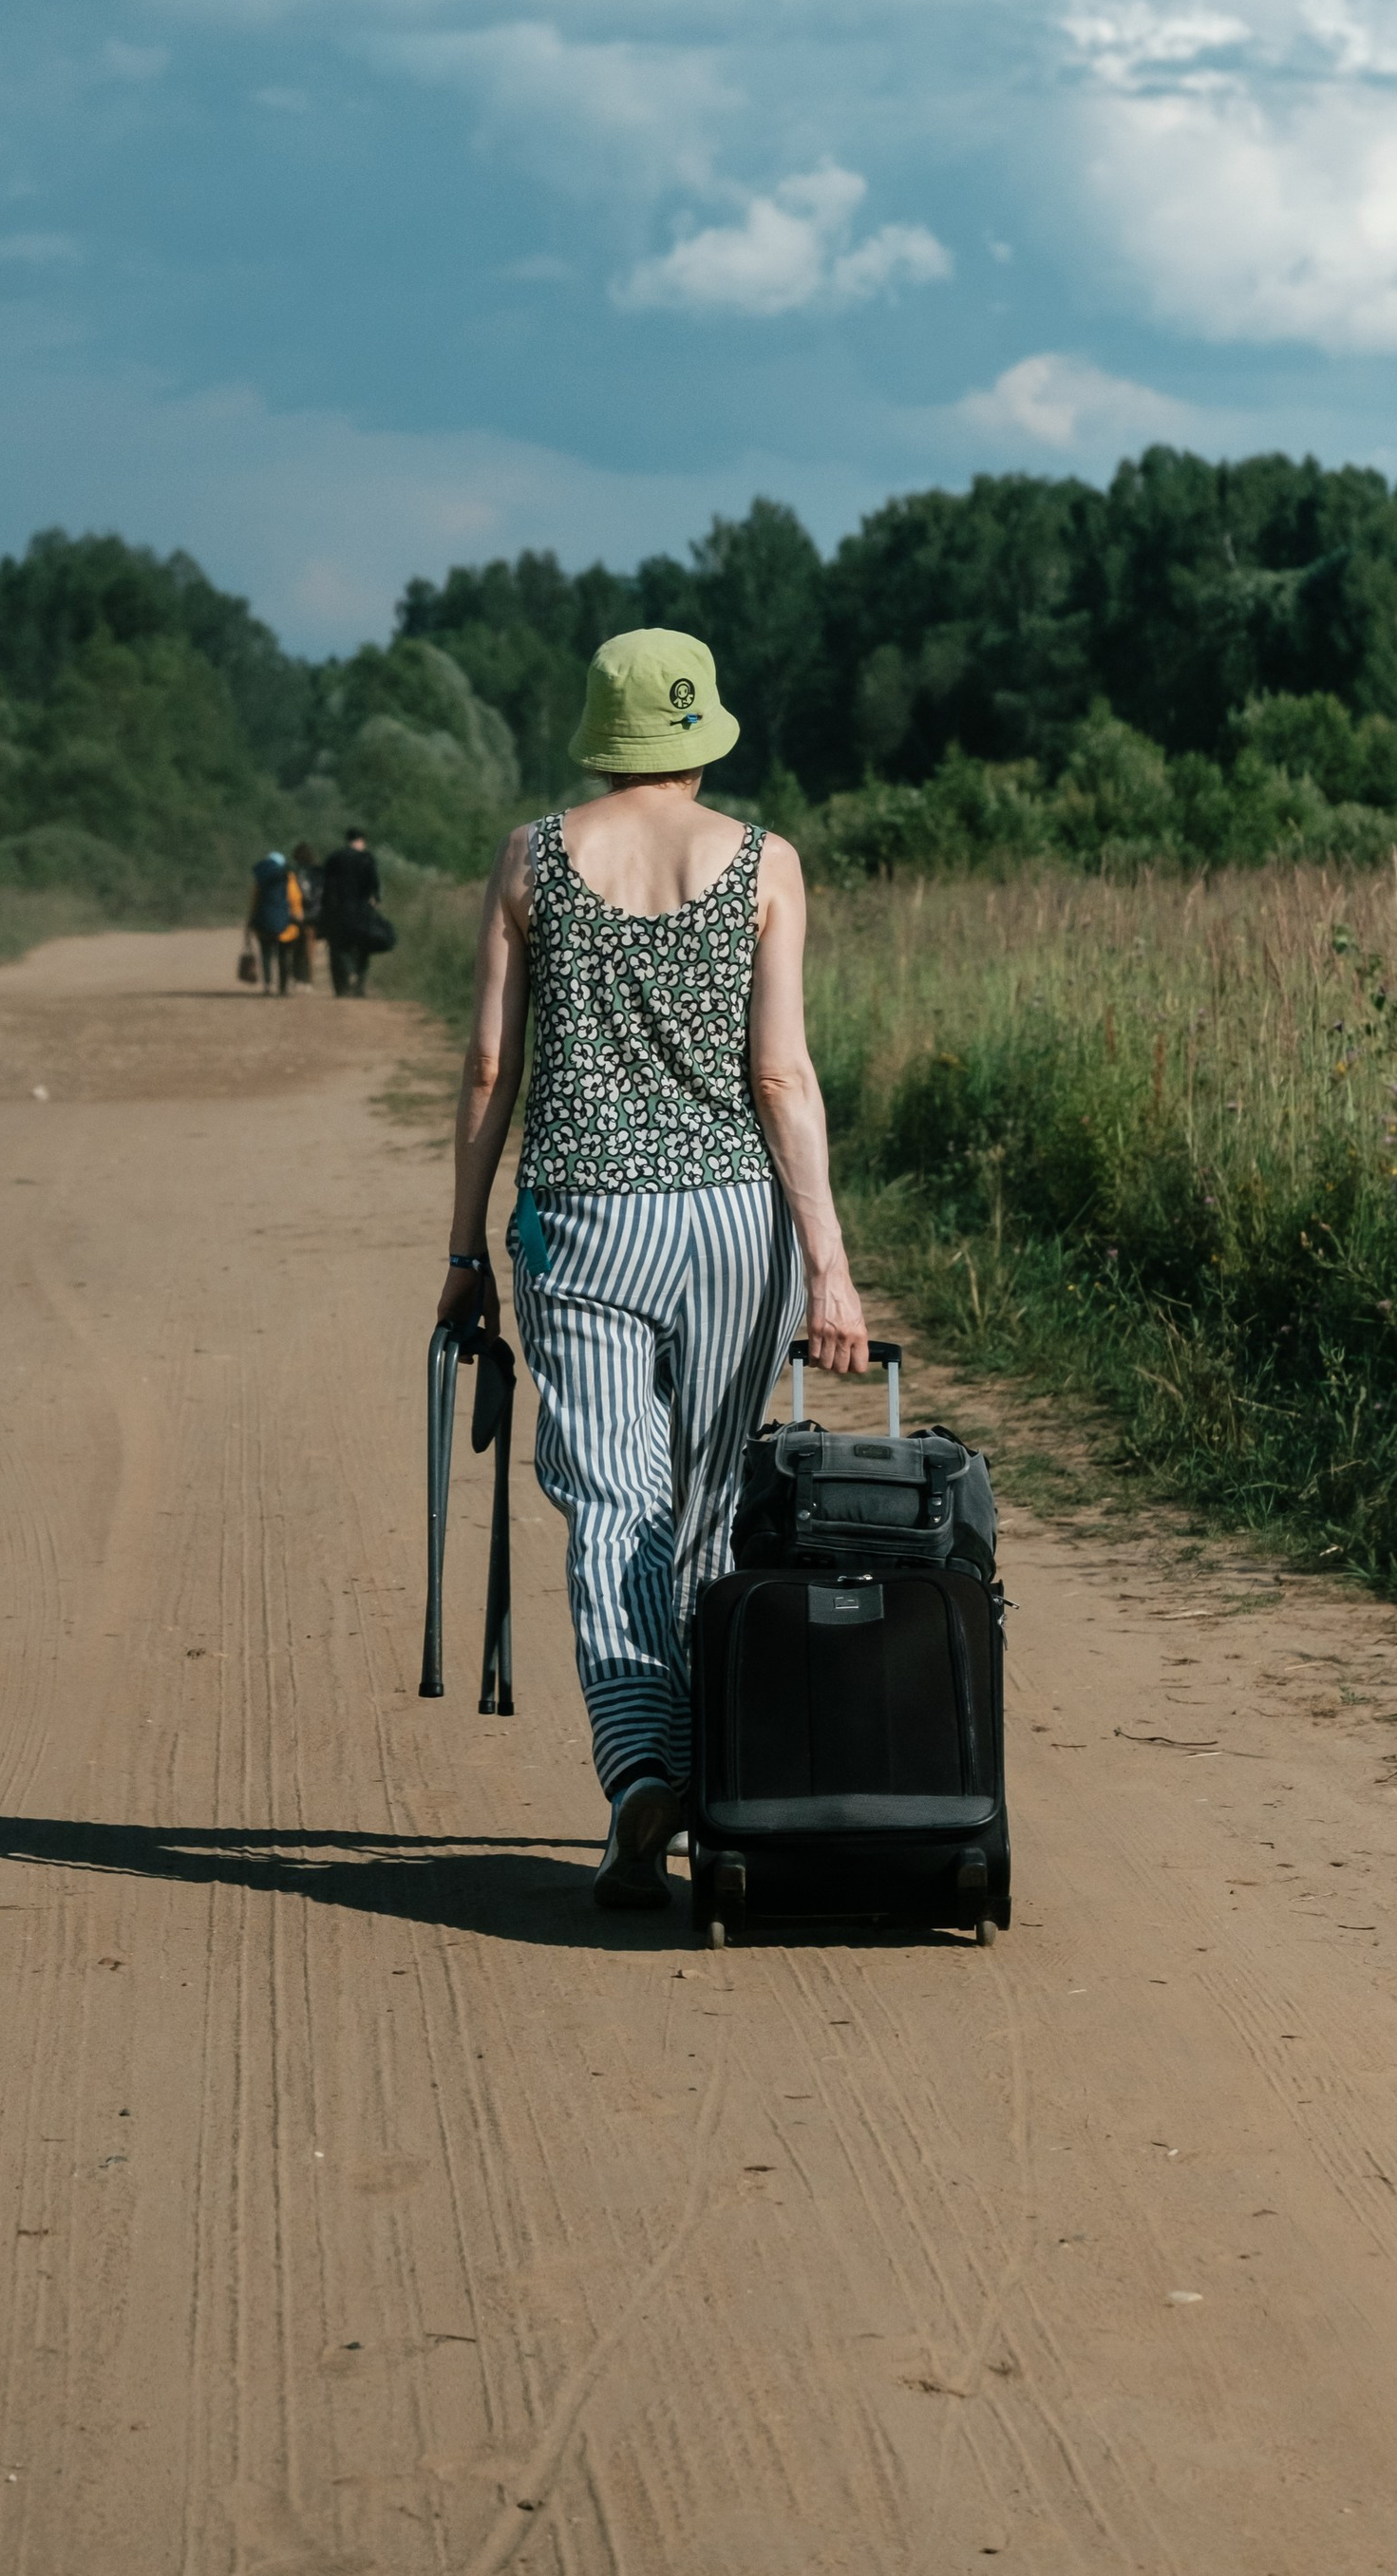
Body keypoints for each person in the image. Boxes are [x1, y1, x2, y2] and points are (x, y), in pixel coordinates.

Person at [436, 629, 870, 1915]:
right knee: (708, 1503)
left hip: (585, 1222)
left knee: (611, 1499)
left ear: (601, 731)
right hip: (740, 1223)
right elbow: (783, 1077)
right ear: (703, 734)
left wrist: (464, 1250)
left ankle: (640, 1766)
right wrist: (831, 1270)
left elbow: (484, 1071)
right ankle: (712, 1771)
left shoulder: (530, 858)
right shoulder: (762, 862)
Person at [318, 826, 382, 995]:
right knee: (363, 947)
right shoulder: (367, 859)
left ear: (347, 840)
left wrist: (325, 910)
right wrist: (375, 901)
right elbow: (374, 886)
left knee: (337, 947)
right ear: (361, 841)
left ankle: (342, 987)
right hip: (361, 910)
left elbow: (326, 886)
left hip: (337, 910)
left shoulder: (334, 858)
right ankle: (359, 985)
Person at [245, 847, 304, 994]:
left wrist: (251, 919)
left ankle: (268, 985)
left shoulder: (260, 878)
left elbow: (255, 900)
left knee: (266, 953)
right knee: (284, 955)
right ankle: (283, 988)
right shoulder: (288, 877)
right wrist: (297, 914)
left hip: (263, 921)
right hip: (284, 923)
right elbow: (294, 898)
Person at [290, 842, 323, 989]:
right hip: (314, 913)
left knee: (296, 946)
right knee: (310, 948)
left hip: (297, 912)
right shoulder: (319, 872)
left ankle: (298, 978)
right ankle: (309, 980)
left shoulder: (293, 872)